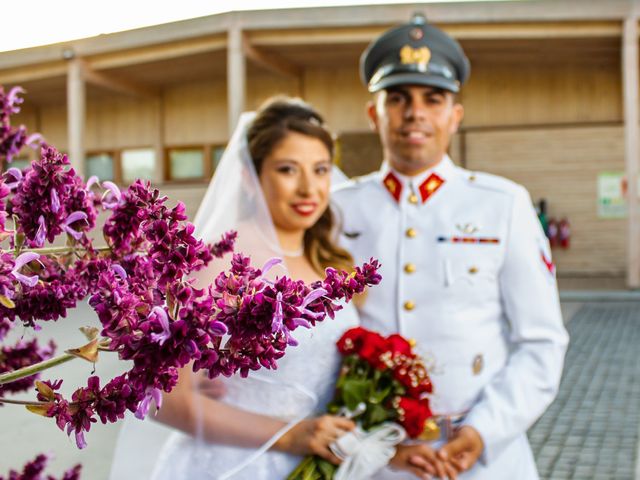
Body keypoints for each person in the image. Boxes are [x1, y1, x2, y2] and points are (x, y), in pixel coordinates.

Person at [112, 96, 431, 480]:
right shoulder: (222, 262)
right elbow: (162, 398)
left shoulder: (330, 261)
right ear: (251, 176)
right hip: (232, 464)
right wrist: (287, 435)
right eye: (287, 170)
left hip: (316, 463)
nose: (308, 188)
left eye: (320, 169)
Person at [332, 14, 569, 480]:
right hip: (376, 457)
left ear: (454, 117)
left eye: (433, 99)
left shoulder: (502, 204)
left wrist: (483, 431)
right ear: (373, 114)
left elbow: (541, 342)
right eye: (397, 99)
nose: (414, 113)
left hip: (484, 458)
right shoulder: (337, 210)